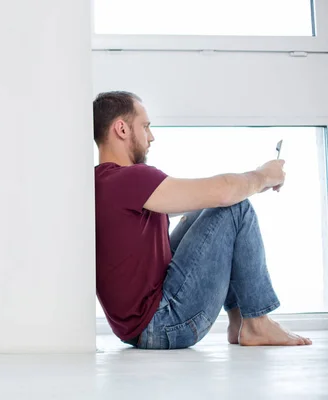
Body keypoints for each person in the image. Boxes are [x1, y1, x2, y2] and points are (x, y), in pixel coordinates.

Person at [93, 91, 312, 349]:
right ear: (121, 128)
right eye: (145, 126)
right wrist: (263, 175)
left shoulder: (102, 183)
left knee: (209, 210)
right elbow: (224, 192)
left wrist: (250, 186)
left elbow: (211, 200)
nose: (151, 137)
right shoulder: (128, 179)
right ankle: (257, 323)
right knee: (234, 208)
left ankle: (239, 322)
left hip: (135, 329)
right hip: (162, 323)